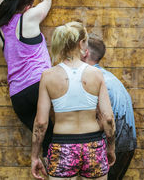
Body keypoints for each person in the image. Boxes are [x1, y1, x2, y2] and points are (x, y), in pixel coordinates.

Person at [30, 22, 116, 180]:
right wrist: (111, 148)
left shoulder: (48, 76)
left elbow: (41, 123)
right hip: (93, 146)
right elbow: (108, 118)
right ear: (82, 43)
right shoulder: (96, 74)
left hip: (63, 147)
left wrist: (35, 156)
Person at [0, 0, 54, 157]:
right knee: (57, 139)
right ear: (27, 6)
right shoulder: (28, 17)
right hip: (39, 85)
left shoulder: (0, 28)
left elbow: (1, 3)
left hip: (18, 96)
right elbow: (47, 2)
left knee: (46, 143)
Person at [82, 34, 137, 180]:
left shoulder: (94, 79)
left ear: (84, 53)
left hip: (112, 145)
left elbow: (105, 119)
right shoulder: (109, 77)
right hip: (127, 145)